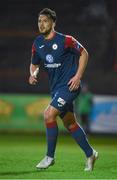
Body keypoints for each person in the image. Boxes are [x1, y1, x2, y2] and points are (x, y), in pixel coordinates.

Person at [29, 8, 98, 171]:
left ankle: (49, 157)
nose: (41, 24)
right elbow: (34, 63)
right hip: (55, 89)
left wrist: (78, 76)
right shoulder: (37, 43)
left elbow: (84, 53)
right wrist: (32, 74)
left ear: (53, 23)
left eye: (45, 20)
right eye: (39, 21)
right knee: (70, 123)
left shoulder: (66, 40)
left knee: (48, 114)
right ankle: (90, 154)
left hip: (69, 87)